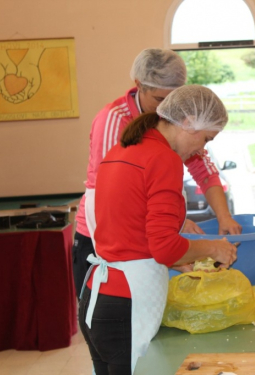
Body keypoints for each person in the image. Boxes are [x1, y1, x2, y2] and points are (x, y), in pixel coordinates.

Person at [79, 84, 238, 375]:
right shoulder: (163, 158)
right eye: (206, 138)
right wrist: (216, 247)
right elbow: (164, 246)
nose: (202, 148)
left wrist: (182, 262)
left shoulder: (123, 149)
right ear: (189, 123)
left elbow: (129, 233)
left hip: (97, 298)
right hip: (125, 304)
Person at [72, 48, 241, 298]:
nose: (171, 108)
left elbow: (203, 169)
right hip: (100, 238)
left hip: (138, 248)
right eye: (162, 100)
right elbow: (108, 194)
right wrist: (174, 227)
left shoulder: (170, 136)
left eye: (176, 99)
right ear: (139, 85)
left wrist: (223, 216)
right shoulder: (115, 120)